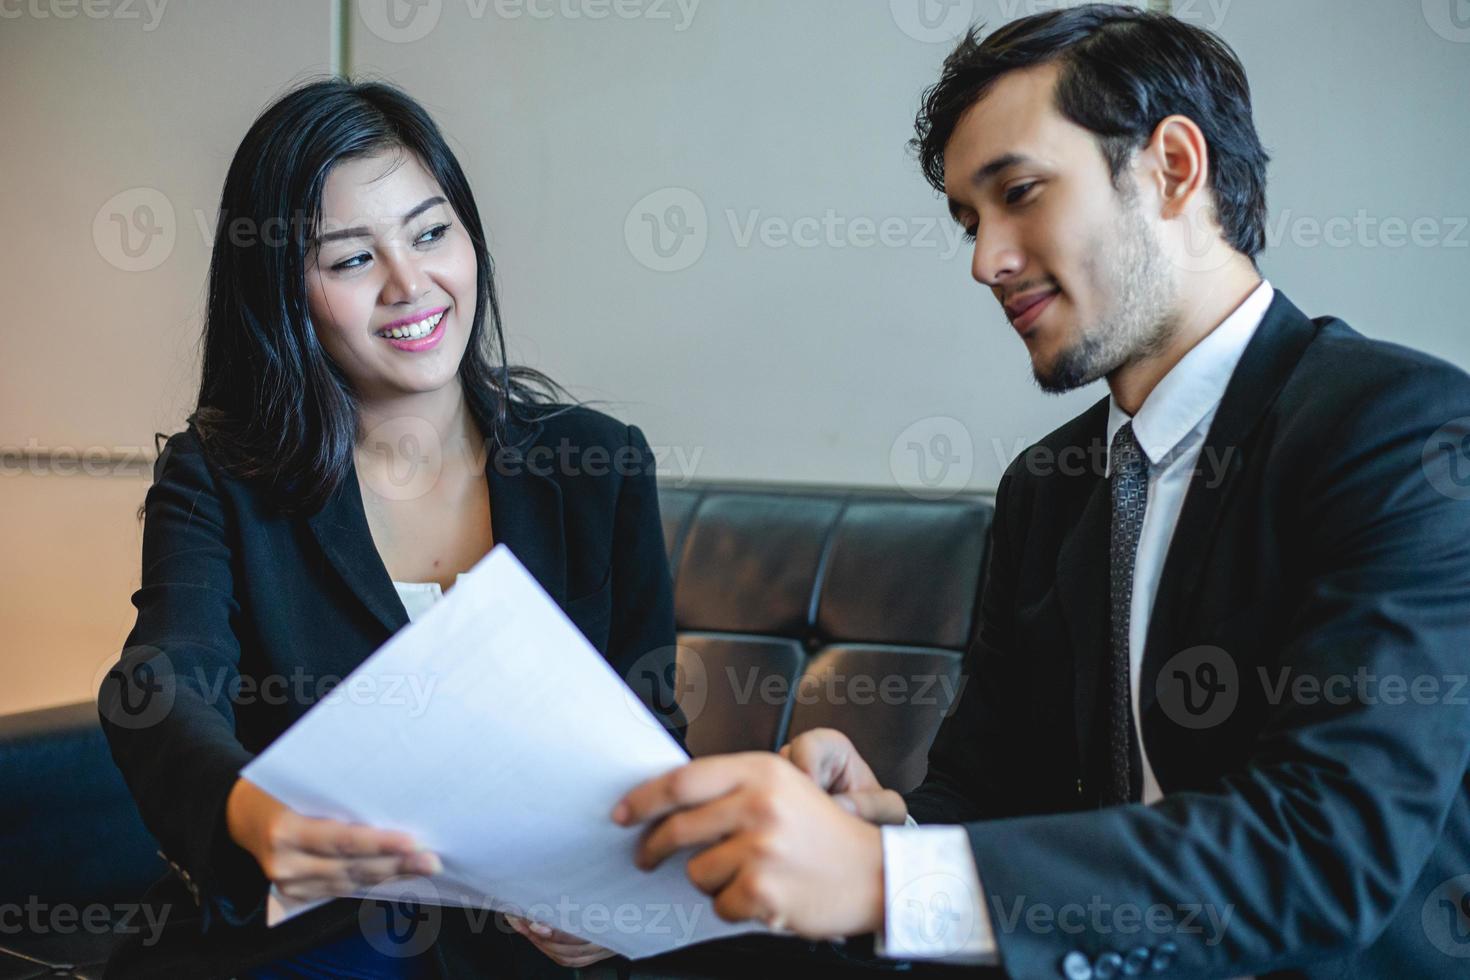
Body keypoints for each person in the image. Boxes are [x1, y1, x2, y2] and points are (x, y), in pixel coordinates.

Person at [613, 6, 1470, 978]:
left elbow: (1325, 853)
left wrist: (883, 878)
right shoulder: (1050, 485)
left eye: (1019, 194)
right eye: (971, 221)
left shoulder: (1406, 432)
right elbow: (981, 795)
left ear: (1174, 168)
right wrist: (877, 827)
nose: (986, 261)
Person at [97, 76, 683, 979]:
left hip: (530, 951)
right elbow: (166, 678)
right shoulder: (219, 477)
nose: (412, 285)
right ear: (285, 290)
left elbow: (647, 733)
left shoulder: (595, 468)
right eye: (351, 259)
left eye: (431, 232)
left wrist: (622, 896)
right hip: (305, 943)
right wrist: (254, 813)